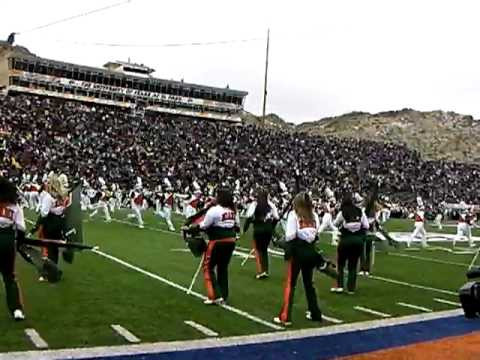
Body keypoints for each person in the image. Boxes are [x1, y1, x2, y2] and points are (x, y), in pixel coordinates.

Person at [275, 192, 323, 326]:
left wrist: (280, 241)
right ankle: (315, 313)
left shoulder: (293, 215)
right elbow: (315, 235)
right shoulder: (315, 217)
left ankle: (285, 316)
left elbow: (290, 236)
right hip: (311, 252)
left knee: (291, 284)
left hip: (297, 252)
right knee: (309, 284)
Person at [194, 188, 239, 305]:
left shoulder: (214, 210)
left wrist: (194, 227)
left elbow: (204, 225)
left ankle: (214, 295)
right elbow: (236, 225)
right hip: (231, 241)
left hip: (217, 241)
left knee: (208, 267)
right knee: (222, 268)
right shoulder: (233, 210)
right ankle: (223, 294)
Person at [331, 192, 369, 294]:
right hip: (357, 241)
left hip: (345, 240)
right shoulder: (360, 211)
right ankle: (351, 288)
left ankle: (340, 286)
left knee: (341, 264)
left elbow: (335, 224)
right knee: (353, 265)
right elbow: (366, 225)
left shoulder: (342, 212)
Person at [0, 177, 26, 320]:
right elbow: (21, 228)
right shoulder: (15, 207)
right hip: (7, 240)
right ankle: (16, 309)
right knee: (9, 277)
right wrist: (20, 243)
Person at [36, 173, 70, 281]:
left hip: (49, 224)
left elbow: (44, 213)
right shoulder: (62, 196)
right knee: (54, 249)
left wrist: (37, 225)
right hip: (59, 224)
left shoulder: (48, 196)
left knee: (47, 248)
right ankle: (53, 272)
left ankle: (47, 273)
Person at [243, 190, 279, 279]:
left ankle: (261, 271)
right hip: (268, 230)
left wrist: (245, 228)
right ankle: (265, 270)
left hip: (258, 230)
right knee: (264, 250)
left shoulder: (255, 204)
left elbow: (249, 216)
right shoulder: (271, 205)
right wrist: (271, 227)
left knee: (259, 251)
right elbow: (276, 217)